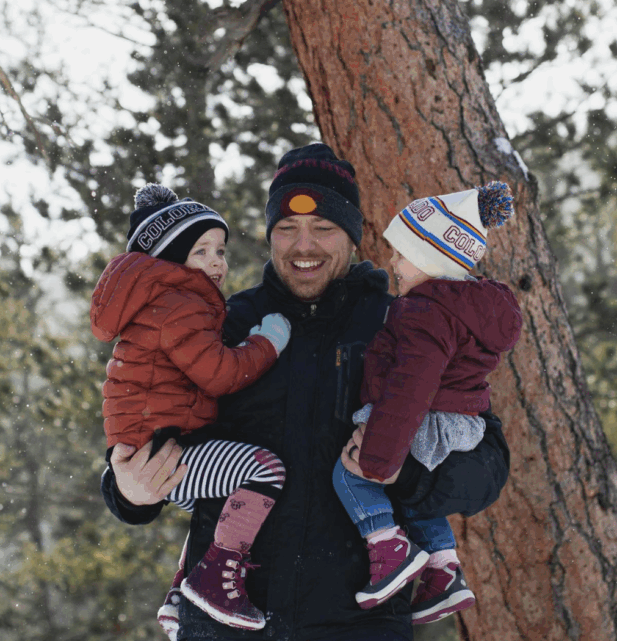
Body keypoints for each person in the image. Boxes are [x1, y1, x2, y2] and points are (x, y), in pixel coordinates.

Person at [101, 143, 511, 641]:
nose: (304, 246)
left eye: (324, 228)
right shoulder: (228, 326)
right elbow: (144, 412)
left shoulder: (403, 323)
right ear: (270, 234)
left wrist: (409, 477)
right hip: (227, 622)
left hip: (361, 622)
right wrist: (128, 493)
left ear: (353, 235)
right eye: (287, 228)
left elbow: (487, 463)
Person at [91, 184, 292, 634]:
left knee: (219, 503)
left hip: (165, 440)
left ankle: (182, 587)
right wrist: (266, 345)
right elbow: (220, 374)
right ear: (169, 261)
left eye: (220, 249)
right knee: (264, 471)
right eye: (201, 252)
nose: (218, 262)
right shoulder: (181, 306)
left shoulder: (171, 305)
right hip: (163, 449)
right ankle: (211, 584)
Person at [333, 182, 521, 622]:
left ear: (433, 257)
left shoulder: (423, 310)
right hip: (458, 422)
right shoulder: (464, 308)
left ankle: (387, 550)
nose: (393, 262)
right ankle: (443, 570)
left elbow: (411, 385)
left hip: (423, 419)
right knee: (417, 496)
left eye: (402, 252)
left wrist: (379, 458)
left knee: (353, 475)